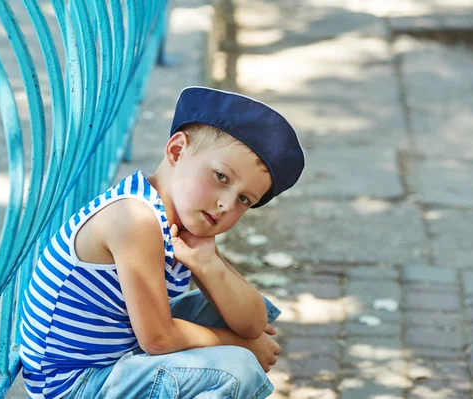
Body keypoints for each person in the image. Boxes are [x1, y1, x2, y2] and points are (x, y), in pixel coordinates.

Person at [18, 86, 305, 399]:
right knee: (236, 370)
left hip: (115, 362)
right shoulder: (135, 218)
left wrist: (206, 263)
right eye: (221, 177)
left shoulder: (184, 217)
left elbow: (253, 323)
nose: (226, 204)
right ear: (177, 151)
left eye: (244, 199)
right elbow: (157, 339)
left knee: (234, 307)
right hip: (73, 385)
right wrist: (241, 345)